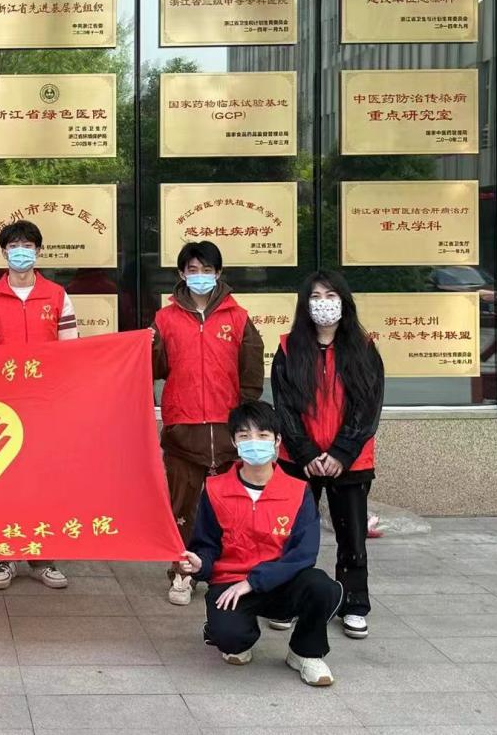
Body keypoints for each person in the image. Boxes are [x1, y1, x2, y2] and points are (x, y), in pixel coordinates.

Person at [179, 400, 343, 688]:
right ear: (234, 442)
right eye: (244, 436)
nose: (254, 442)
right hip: (231, 584)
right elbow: (206, 543)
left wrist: (254, 581)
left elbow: (303, 554)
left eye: (263, 435)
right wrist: (200, 563)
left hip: (281, 582)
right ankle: (225, 630)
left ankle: (305, 652)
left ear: (277, 441)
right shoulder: (216, 489)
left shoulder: (297, 491)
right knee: (232, 641)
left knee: (321, 587)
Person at [272, 270, 383, 641]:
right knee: (292, 534)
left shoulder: (364, 349)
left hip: (350, 462)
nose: (323, 304)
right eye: (315, 297)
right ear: (305, 305)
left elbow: (368, 408)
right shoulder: (288, 349)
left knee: (352, 537)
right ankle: (287, 601)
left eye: (330, 295)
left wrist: (340, 453)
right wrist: (305, 452)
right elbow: (285, 407)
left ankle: (354, 603)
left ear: (344, 301)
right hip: (298, 460)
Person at [154, 241, 264, 606]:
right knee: (182, 507)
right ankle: (182, 572)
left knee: (230, 508)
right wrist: (150, 346)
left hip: (228, 431)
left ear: (218, 274)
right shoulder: (165, 319)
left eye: (206, 270)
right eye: (192, 270)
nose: (199, 276)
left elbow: (251, 374)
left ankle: (228, 571)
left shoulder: (238, 317)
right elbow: (155, 368)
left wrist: (244, 424)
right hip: (183, 430)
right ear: (181, 274)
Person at [0, 219, 74, 591]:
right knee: (4, 481)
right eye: (14, 246)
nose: (21, 252)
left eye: (27, 246)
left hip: (46, 406)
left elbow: (71, 352)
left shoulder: (57, 295)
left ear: (38, 251)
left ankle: (43, 558)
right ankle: (5, 555)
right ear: (3, 252)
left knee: (44, 480)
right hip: (4, 408)